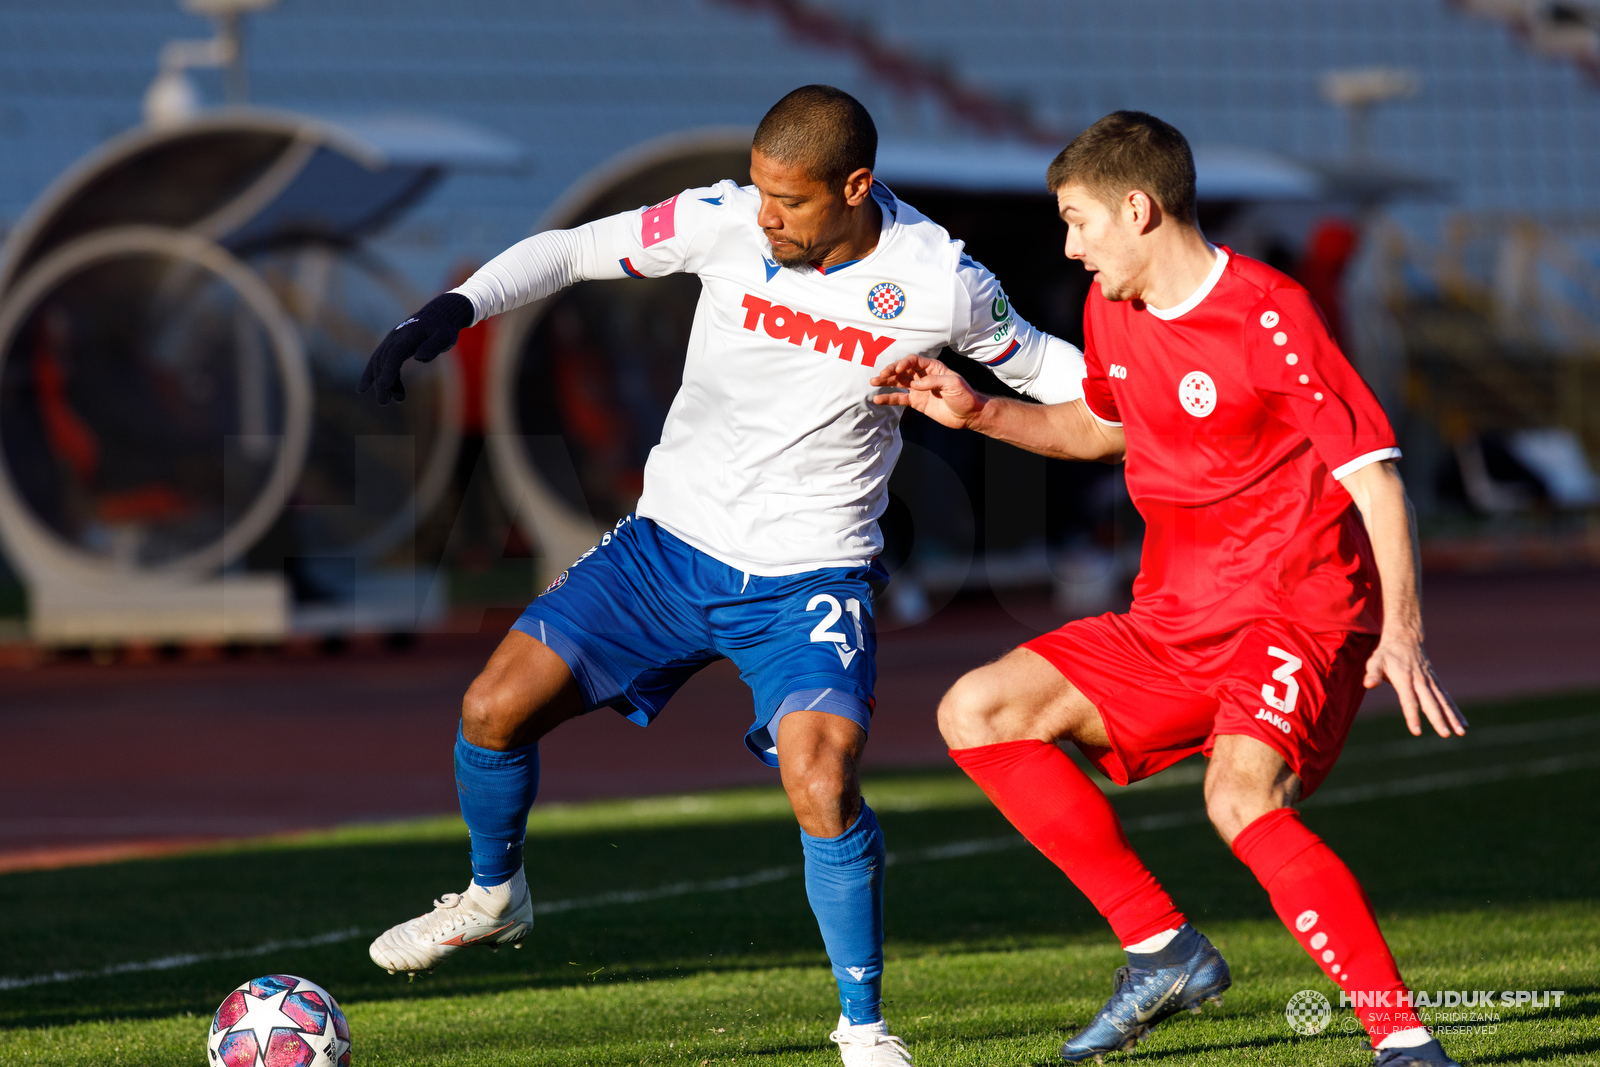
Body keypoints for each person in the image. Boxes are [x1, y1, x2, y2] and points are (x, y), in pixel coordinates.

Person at [356, 85, 1085, 1066]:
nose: (764, 214)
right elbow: (572, 249)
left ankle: (862, 1029)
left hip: (807, 579)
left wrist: (1176, 393)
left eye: (786, 199)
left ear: (855, 186)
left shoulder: (939, 280)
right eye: (758, 190)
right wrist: (449, 306)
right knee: (492, 707)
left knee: (819, 773)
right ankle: (494, 894)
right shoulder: (722, 220)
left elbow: (1048, 372)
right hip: (664, 550)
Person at [869, 111, 1467, 1067]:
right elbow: (1103, 429)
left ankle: (1402, 1040)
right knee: (978, 709)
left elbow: (1375, 477)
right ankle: (1164, 948)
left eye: (1077, 221)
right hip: (1173, 617)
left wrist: (1402, 631)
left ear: (1137, 209)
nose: (1068, 246)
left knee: (1239, 798)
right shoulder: (1112, 311)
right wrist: (979, 412)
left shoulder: (1272, 313)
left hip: (1296, 613)